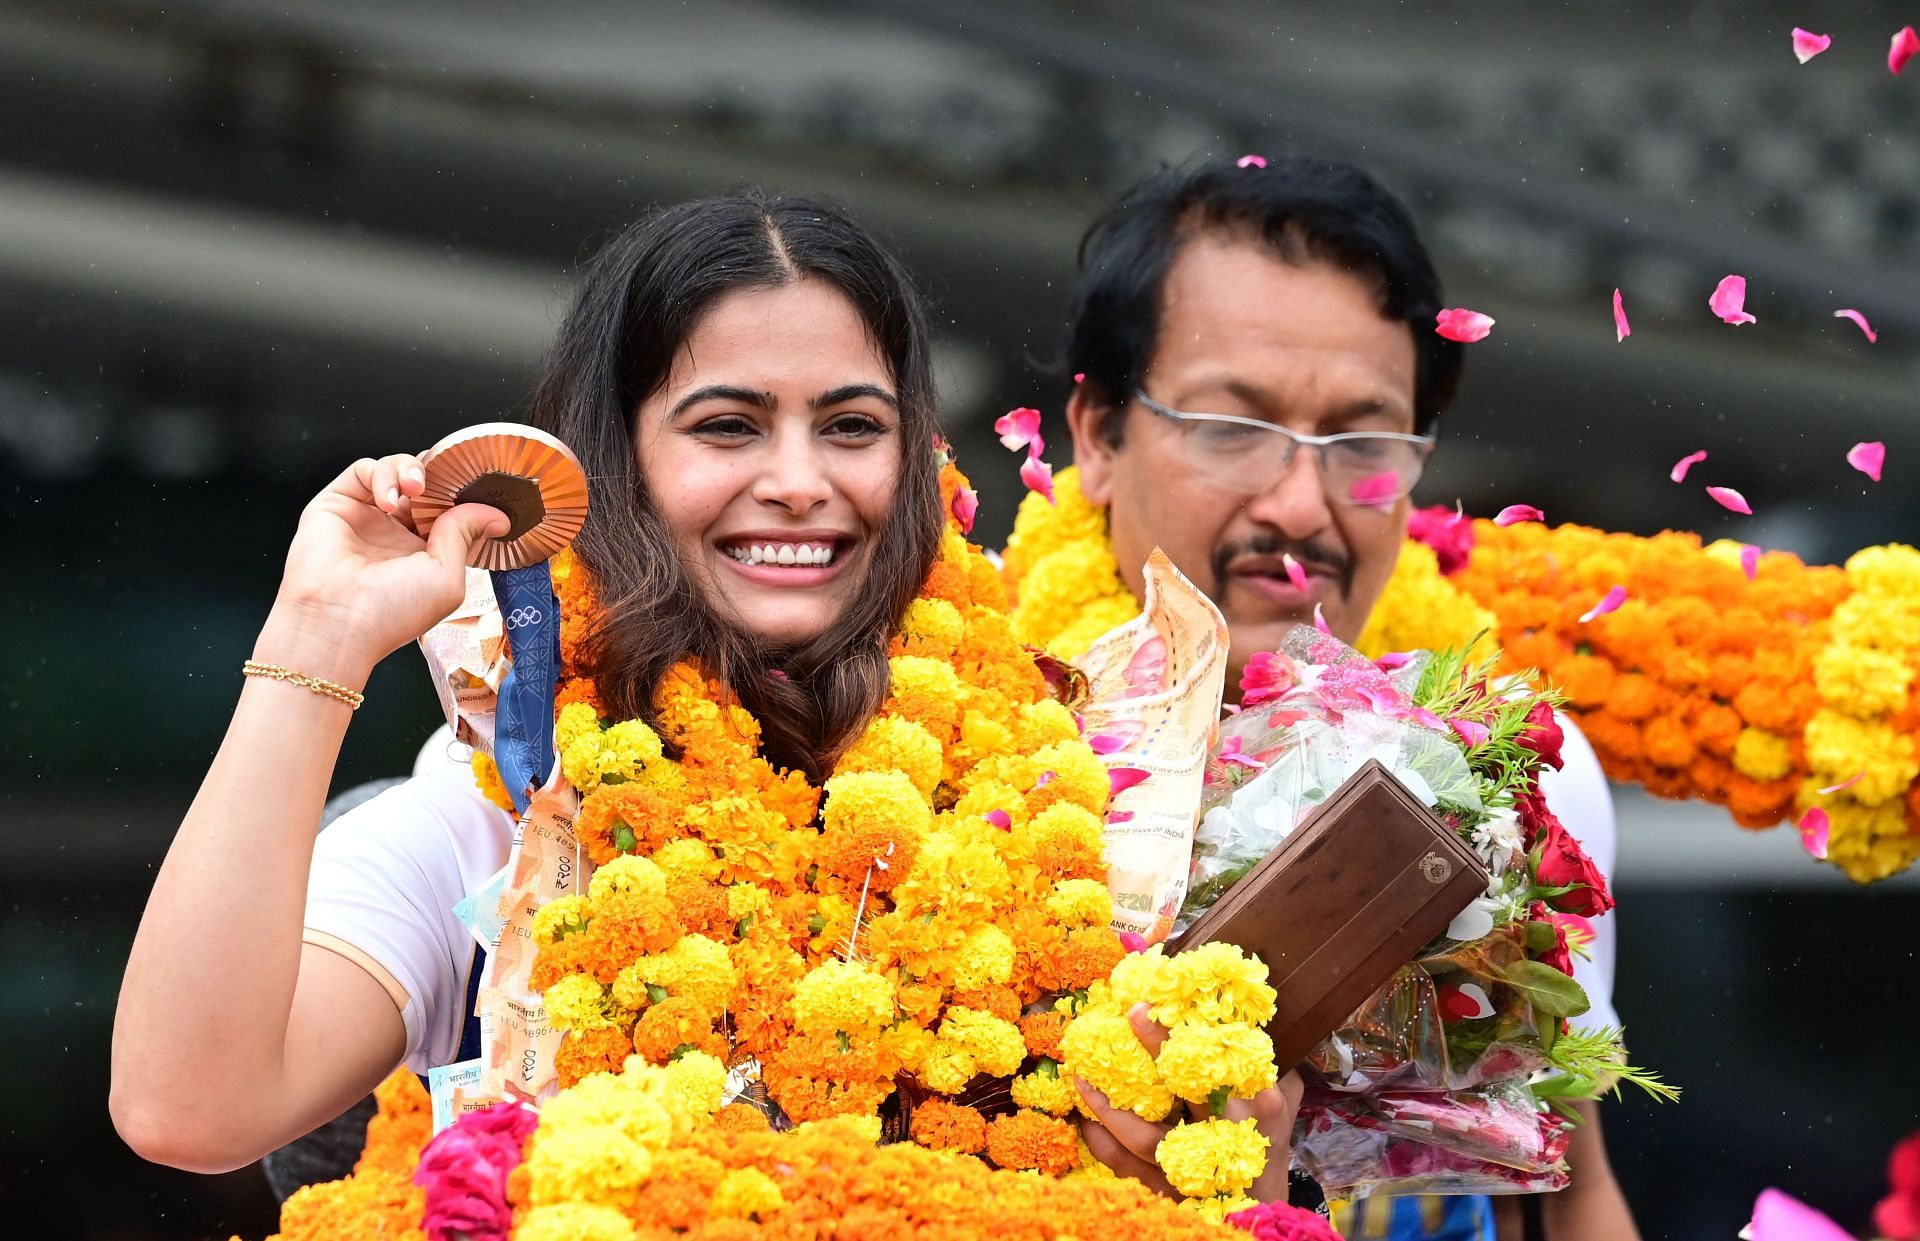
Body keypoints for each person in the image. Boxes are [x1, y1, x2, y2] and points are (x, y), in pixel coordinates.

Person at [108, 192, 1305, 1202]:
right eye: (727, 425)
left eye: (851, 426)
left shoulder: (1075, 787)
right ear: (616, 462)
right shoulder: (508, 806)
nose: (798, 482)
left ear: (917, 458)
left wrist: (1207, 1148)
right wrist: (316, 637)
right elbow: (190, 1104)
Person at [1007, 157, 1638, 1241]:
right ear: (1099, 436)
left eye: (1364, 442)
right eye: (1231, 426)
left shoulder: (1516, 781)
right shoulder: (959, 758)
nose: (1301, 506)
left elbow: (1564, 1191)